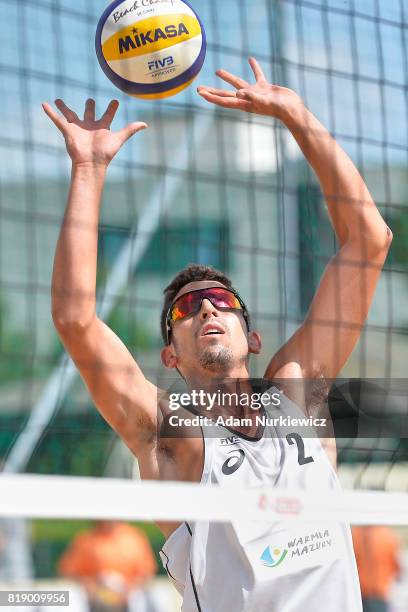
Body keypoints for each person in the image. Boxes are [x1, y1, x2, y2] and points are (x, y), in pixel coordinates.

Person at [43, 58, 392, 611]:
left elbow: (369, 240)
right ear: (170, 354)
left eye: (222, 301)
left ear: (252, 339)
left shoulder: (298, 390)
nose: (206, 306)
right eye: (186, 308)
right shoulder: (170, 434)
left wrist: (296, 114)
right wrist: (88, 170)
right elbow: (76, 321)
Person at [58, 520, 157, 612]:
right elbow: (68, 570)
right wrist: (88, 585)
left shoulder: (135, 537)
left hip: (128, 595)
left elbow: (146, 571)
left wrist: (129, 589)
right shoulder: (85, 539)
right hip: (95, 597)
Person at [352, 526, 401, 612]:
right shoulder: (387, 536)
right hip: (377, 595)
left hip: (360, 594)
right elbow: (397, 568)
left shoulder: (355, 535)